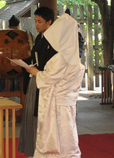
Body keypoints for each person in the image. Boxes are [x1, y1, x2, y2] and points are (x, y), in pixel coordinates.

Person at [26, 14, 85, 158]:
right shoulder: (73, 55)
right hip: (67, 103)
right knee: (67, 137)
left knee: (55, 139)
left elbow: (48, 78)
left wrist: (35, 72)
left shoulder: (62, 58)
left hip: (56, 104)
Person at [17, 7, 56, 157]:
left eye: (40, 21)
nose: (36, 24)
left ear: (49, 22)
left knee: (39, 116)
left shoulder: (53, 40)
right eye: (35, 21)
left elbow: (51, 65)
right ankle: (33, 149)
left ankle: (41, 149)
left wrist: (36, 70)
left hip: (44, 81)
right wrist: (21, 62)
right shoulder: (40, 37)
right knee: (30, 114)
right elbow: (35, 59)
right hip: (36, 79)